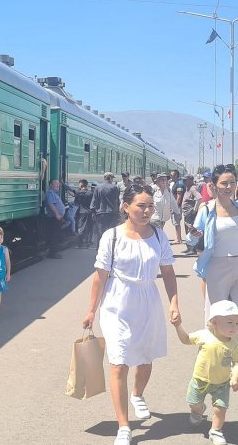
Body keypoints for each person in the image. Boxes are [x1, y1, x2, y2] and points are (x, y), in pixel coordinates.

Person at [81, 184, 180, 445]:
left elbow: (168, 272)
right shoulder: (112, 236)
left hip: (148, 301)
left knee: (145, 358)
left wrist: (174, 302)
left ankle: (137, 394)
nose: (147, 211)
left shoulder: (158, 236)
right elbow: (100, 277)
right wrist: (91, 310)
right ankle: (124, 426)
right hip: (117, 304)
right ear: (126, 207)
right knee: (119, 361)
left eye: (150, 206)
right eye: (141, 206)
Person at [172, 300, 238, 445]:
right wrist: (178, 326)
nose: (234, 327)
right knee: (193, 402)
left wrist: (235, 376)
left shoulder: (234, 344)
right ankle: (198, 410)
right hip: (199, 380)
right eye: (229, 322)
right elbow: (185, 339)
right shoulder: (204, 335)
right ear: (214, 322)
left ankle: (215, 431)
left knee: (220, 409)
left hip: (222, 384)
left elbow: (236, 362)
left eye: (236, 323)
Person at [186, 164, 238, 324]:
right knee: (216, 314)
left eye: (232, 182)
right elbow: (191, 240)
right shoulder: (207, 210)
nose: (229, 187)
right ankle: (213, 340)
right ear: (214, 185)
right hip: (217, 267)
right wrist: (194, 234)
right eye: (224, 183)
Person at [90, 172, 120, 248]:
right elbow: (116, 201)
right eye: (112, 178)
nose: (112, 180)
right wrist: (117, 213)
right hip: (111, 213)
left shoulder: (98, 187)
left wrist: (93, 212)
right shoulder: (114, 188)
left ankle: (99, 248)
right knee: (111, 232)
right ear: (110, 178)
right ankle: (110, 248)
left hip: (100, 213)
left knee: (100, 232)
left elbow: (94, 200)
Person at [44, 179, 66, 259]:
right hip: (54, 218)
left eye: (58, 184)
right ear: (50, 185)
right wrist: (57, 214)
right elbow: (51, 204)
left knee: (56, 235)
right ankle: (53, 253)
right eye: (56, 184)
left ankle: (53, 252)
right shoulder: (50, 193)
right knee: (54, 235)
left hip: (56, 217)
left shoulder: (54, 193)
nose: (58, 185)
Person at [180, 174, 202, 255]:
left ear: (190, 180)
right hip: (187, 214)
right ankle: (189, 247)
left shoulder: (193, 188)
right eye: (183, 180)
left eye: (185, 180)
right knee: (187, 230)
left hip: (190, 214)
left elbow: (199, 198)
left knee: (192, 230)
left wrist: (194, 210)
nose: (184, 181)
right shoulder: (187, 188)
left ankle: (193, 249)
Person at [74, 179, 94, 248]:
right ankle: (88, 242)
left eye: (79, 184)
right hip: (90, 212)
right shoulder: (91, 193)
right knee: (89, 227)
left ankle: (80, 243)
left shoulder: (79, 193)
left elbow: (70, 191)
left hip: (82, 212)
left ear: (81, 185)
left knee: (81, 228)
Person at [170, 170, 185, 244]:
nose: (171, 176)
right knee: (176, 223)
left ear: (176, 175)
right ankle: (178, 238)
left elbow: (179, 197)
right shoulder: (176, 183)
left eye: (172, 175)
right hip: (176, 206)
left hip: (177, 206)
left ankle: (178, 239)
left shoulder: (179, 184)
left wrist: (175, 207)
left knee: (176, 223)